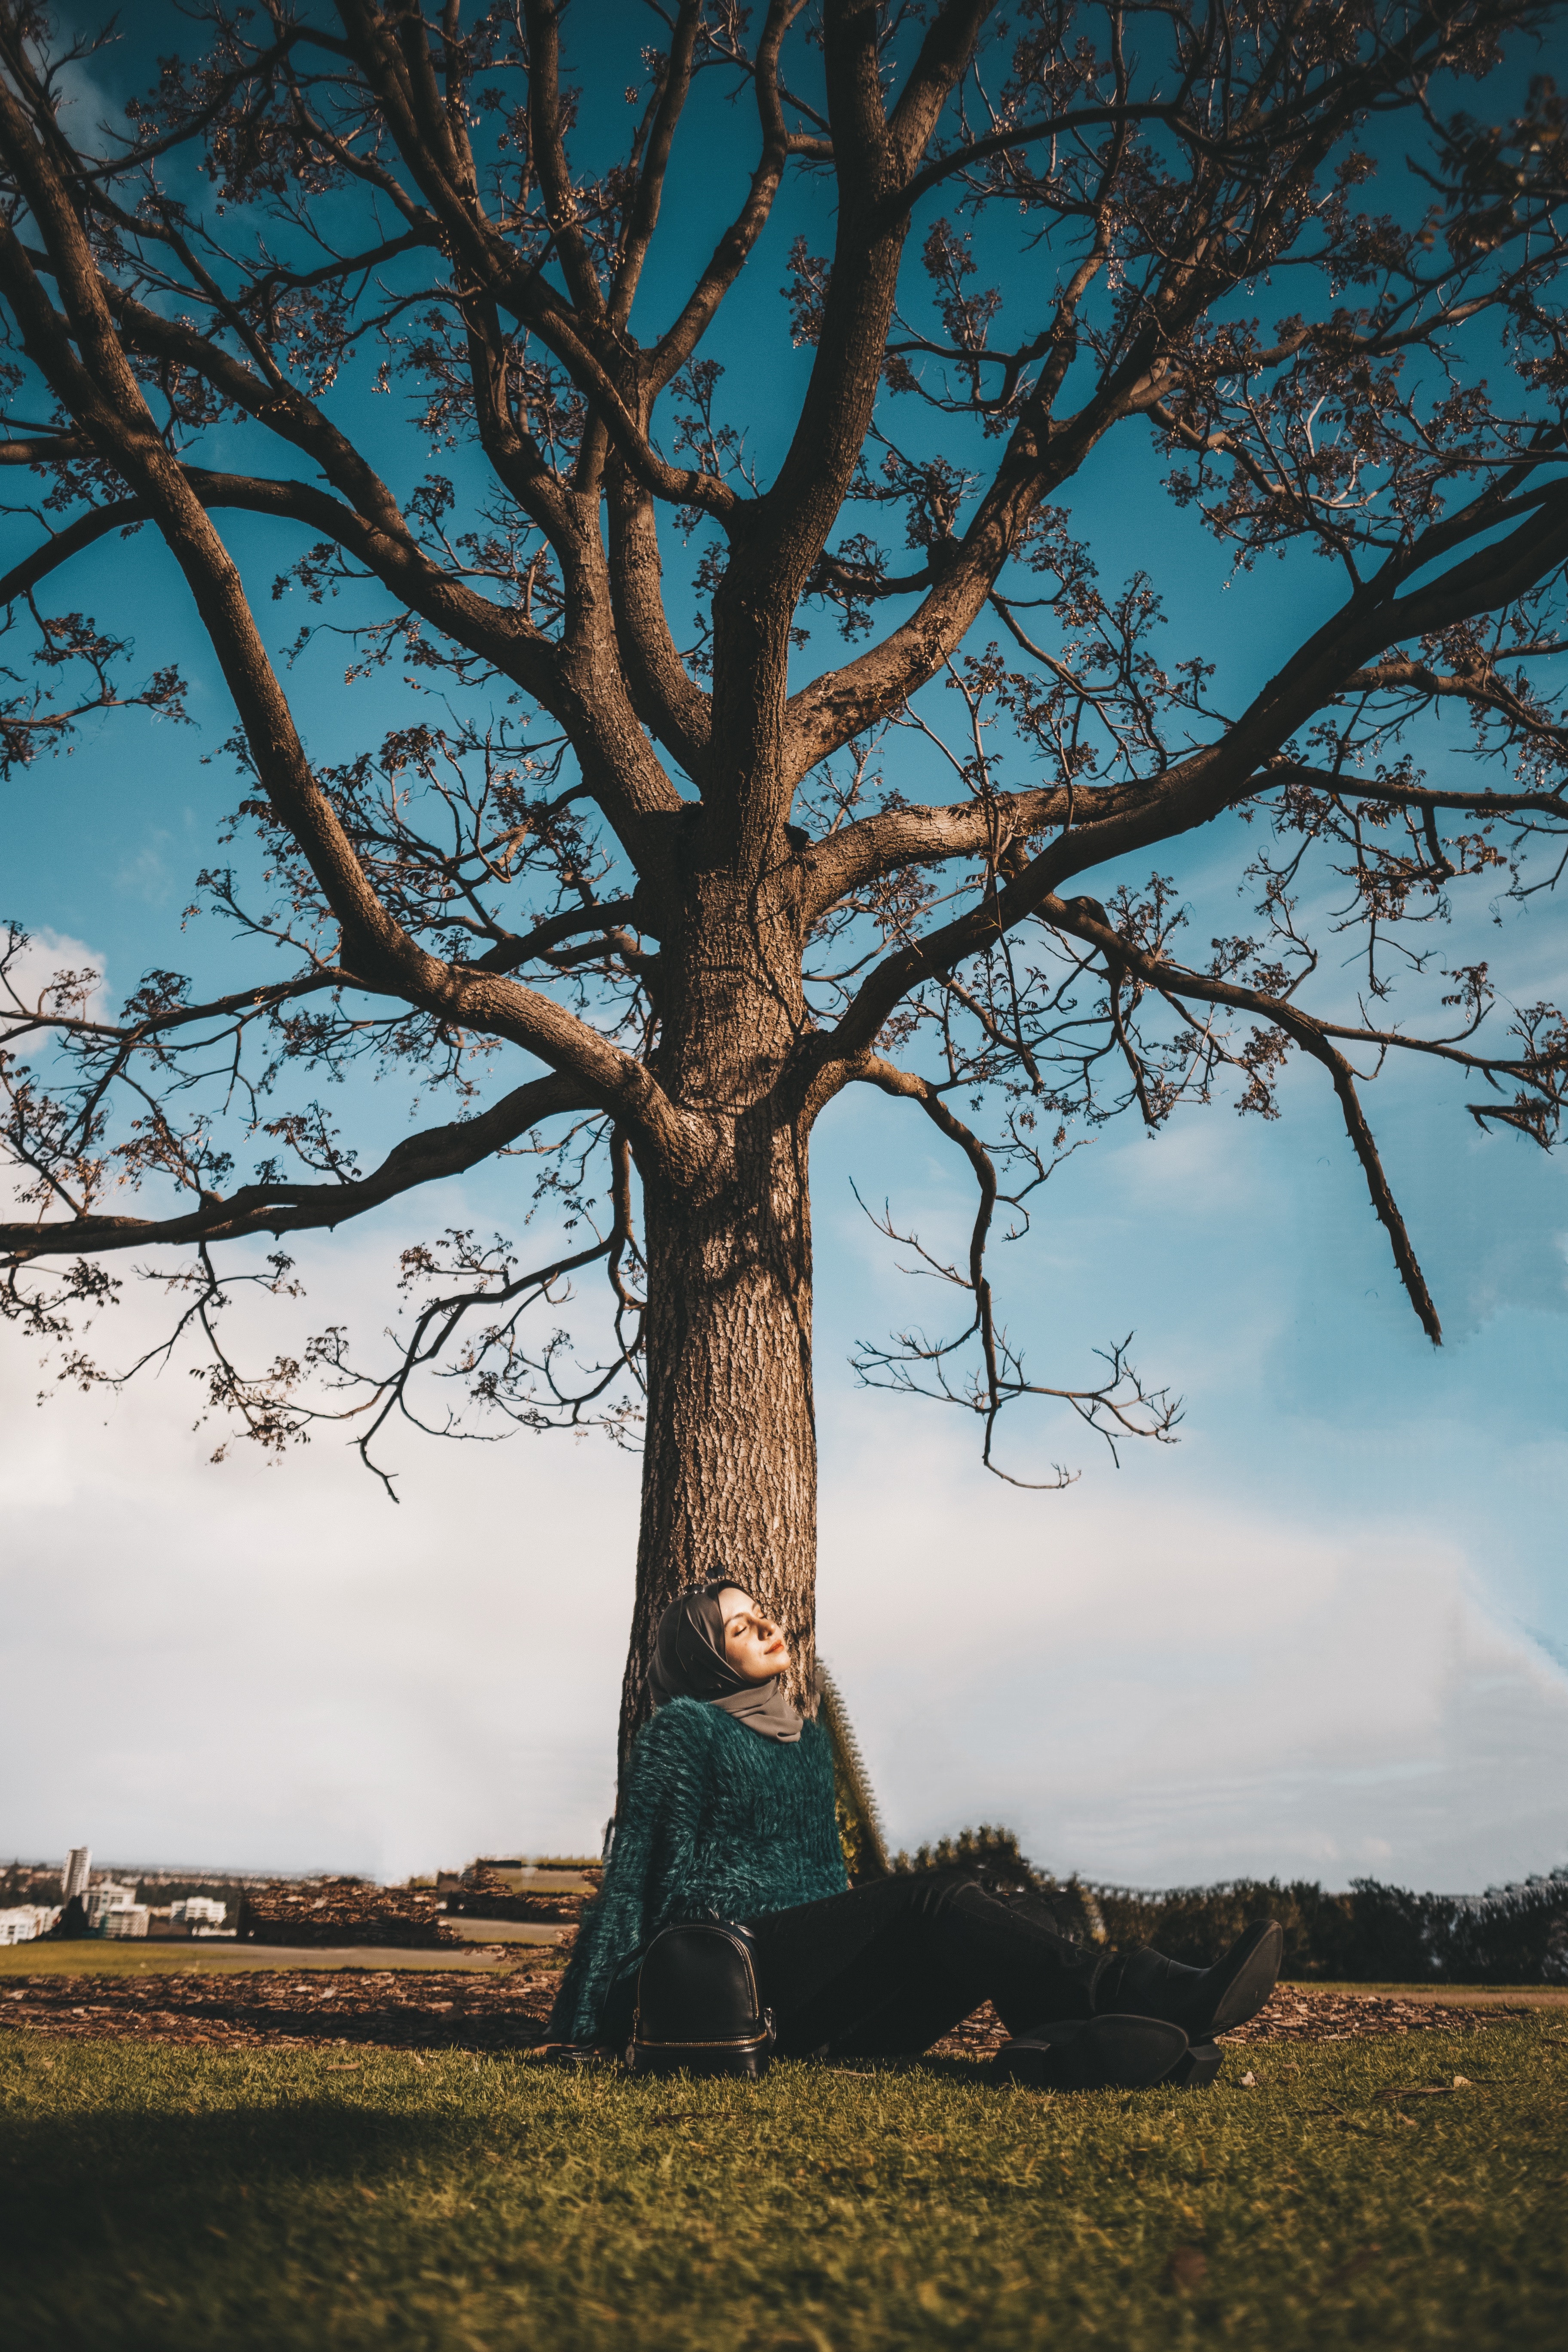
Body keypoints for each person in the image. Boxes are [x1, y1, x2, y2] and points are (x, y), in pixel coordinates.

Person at [548, 1580, 1283, 2078]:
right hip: (730, 1983)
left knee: (1009, 1908)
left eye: (763, 1613)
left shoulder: (805, 1744)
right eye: (742, 1627)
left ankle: (1064, 2052)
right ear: (706, 1659)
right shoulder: (685, 1730)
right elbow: (634, 1875)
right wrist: (585, 2024)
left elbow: (827, 1888)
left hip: (824, 2006)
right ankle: (1131, 1987)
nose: (770, 1626)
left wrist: (864, 1946)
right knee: (933, 1899)